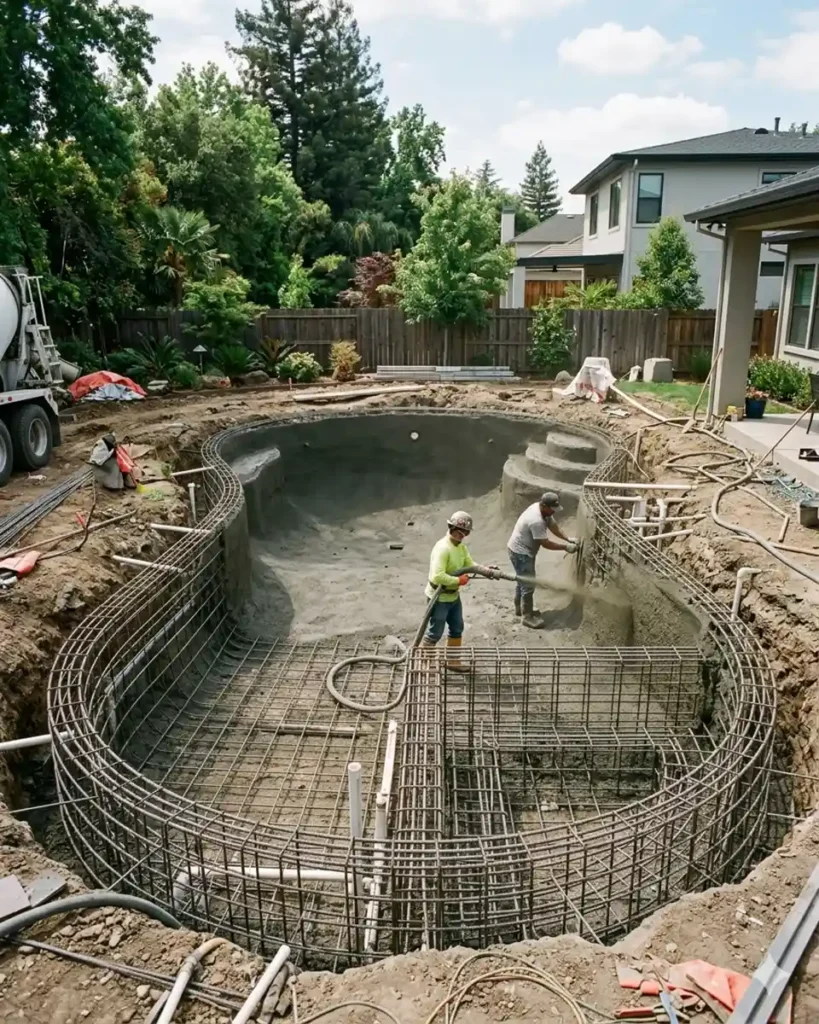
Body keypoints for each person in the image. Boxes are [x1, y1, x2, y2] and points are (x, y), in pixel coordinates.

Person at [422, 511, 499, 666]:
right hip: (439, 598)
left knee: (457, 627)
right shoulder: (443, 548)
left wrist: (486, 570)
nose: (461, 534)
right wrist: (458, 580)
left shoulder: (461, 548)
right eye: (458, 530)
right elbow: (437, 576)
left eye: (464, 533)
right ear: (451, 527)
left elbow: (469, 565)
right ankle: (425, 661)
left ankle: (453, 661)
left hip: (453, 596)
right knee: (435, 632)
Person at [507, 492, 578, 629]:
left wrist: (568, 539)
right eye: (551, 509)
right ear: (544, 505)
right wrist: (566, 547)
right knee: (528, 584)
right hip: (521, 553)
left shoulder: (543, 511)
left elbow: (553, 527)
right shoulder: (536, 520)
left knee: (522, 579)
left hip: (520, 549)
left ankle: (520, 608)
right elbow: (545, 543)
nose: (553, 512)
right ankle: (527, 617)